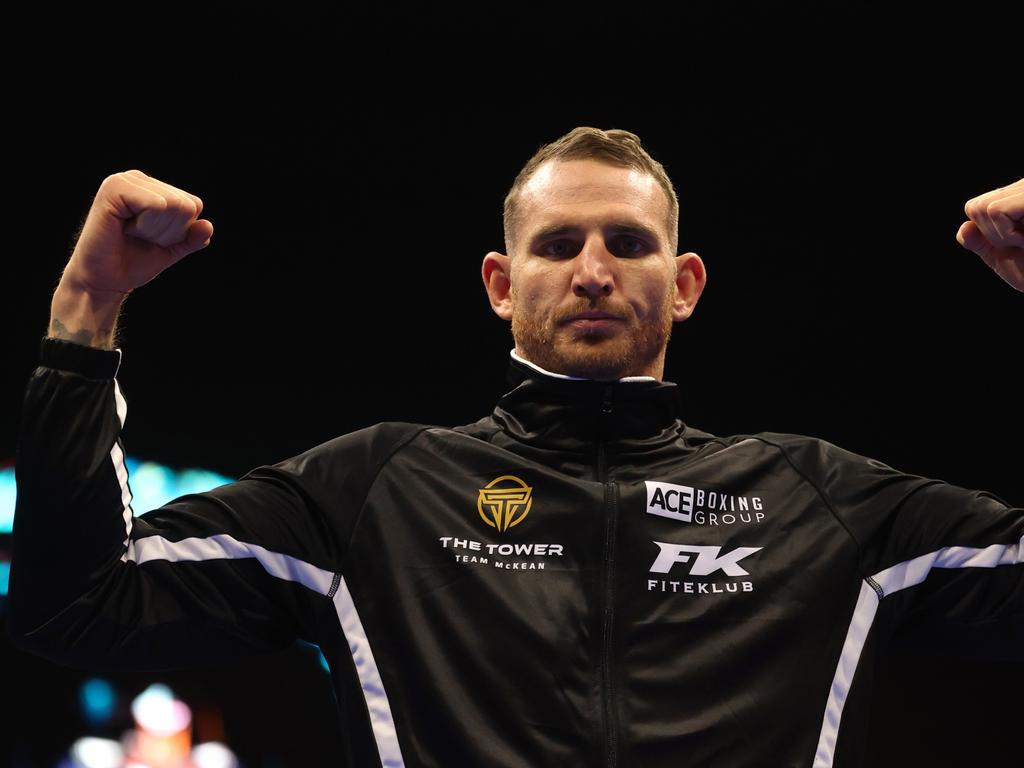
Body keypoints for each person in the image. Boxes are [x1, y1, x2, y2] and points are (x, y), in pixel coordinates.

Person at [7, 126, 1024, 768]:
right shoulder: (375, 490)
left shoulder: (817, 499)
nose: (591, 271)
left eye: (628, 243)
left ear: (684, 285)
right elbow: (78, 608)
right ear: (502, 283)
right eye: (557, 244)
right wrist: (86, 309)